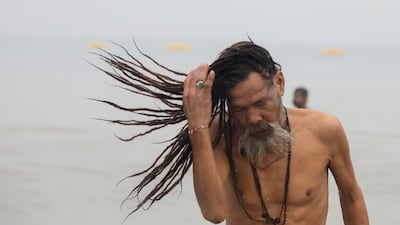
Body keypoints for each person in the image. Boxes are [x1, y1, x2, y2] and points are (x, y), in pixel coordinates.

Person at [94, 40, 369, 225]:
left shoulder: (325, 129)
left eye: (261, 103)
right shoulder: (220, 134)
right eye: (240, 109)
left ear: (280, 83)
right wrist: (197, 125)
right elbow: (214, 213)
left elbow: (352, 197)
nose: (252, 118)